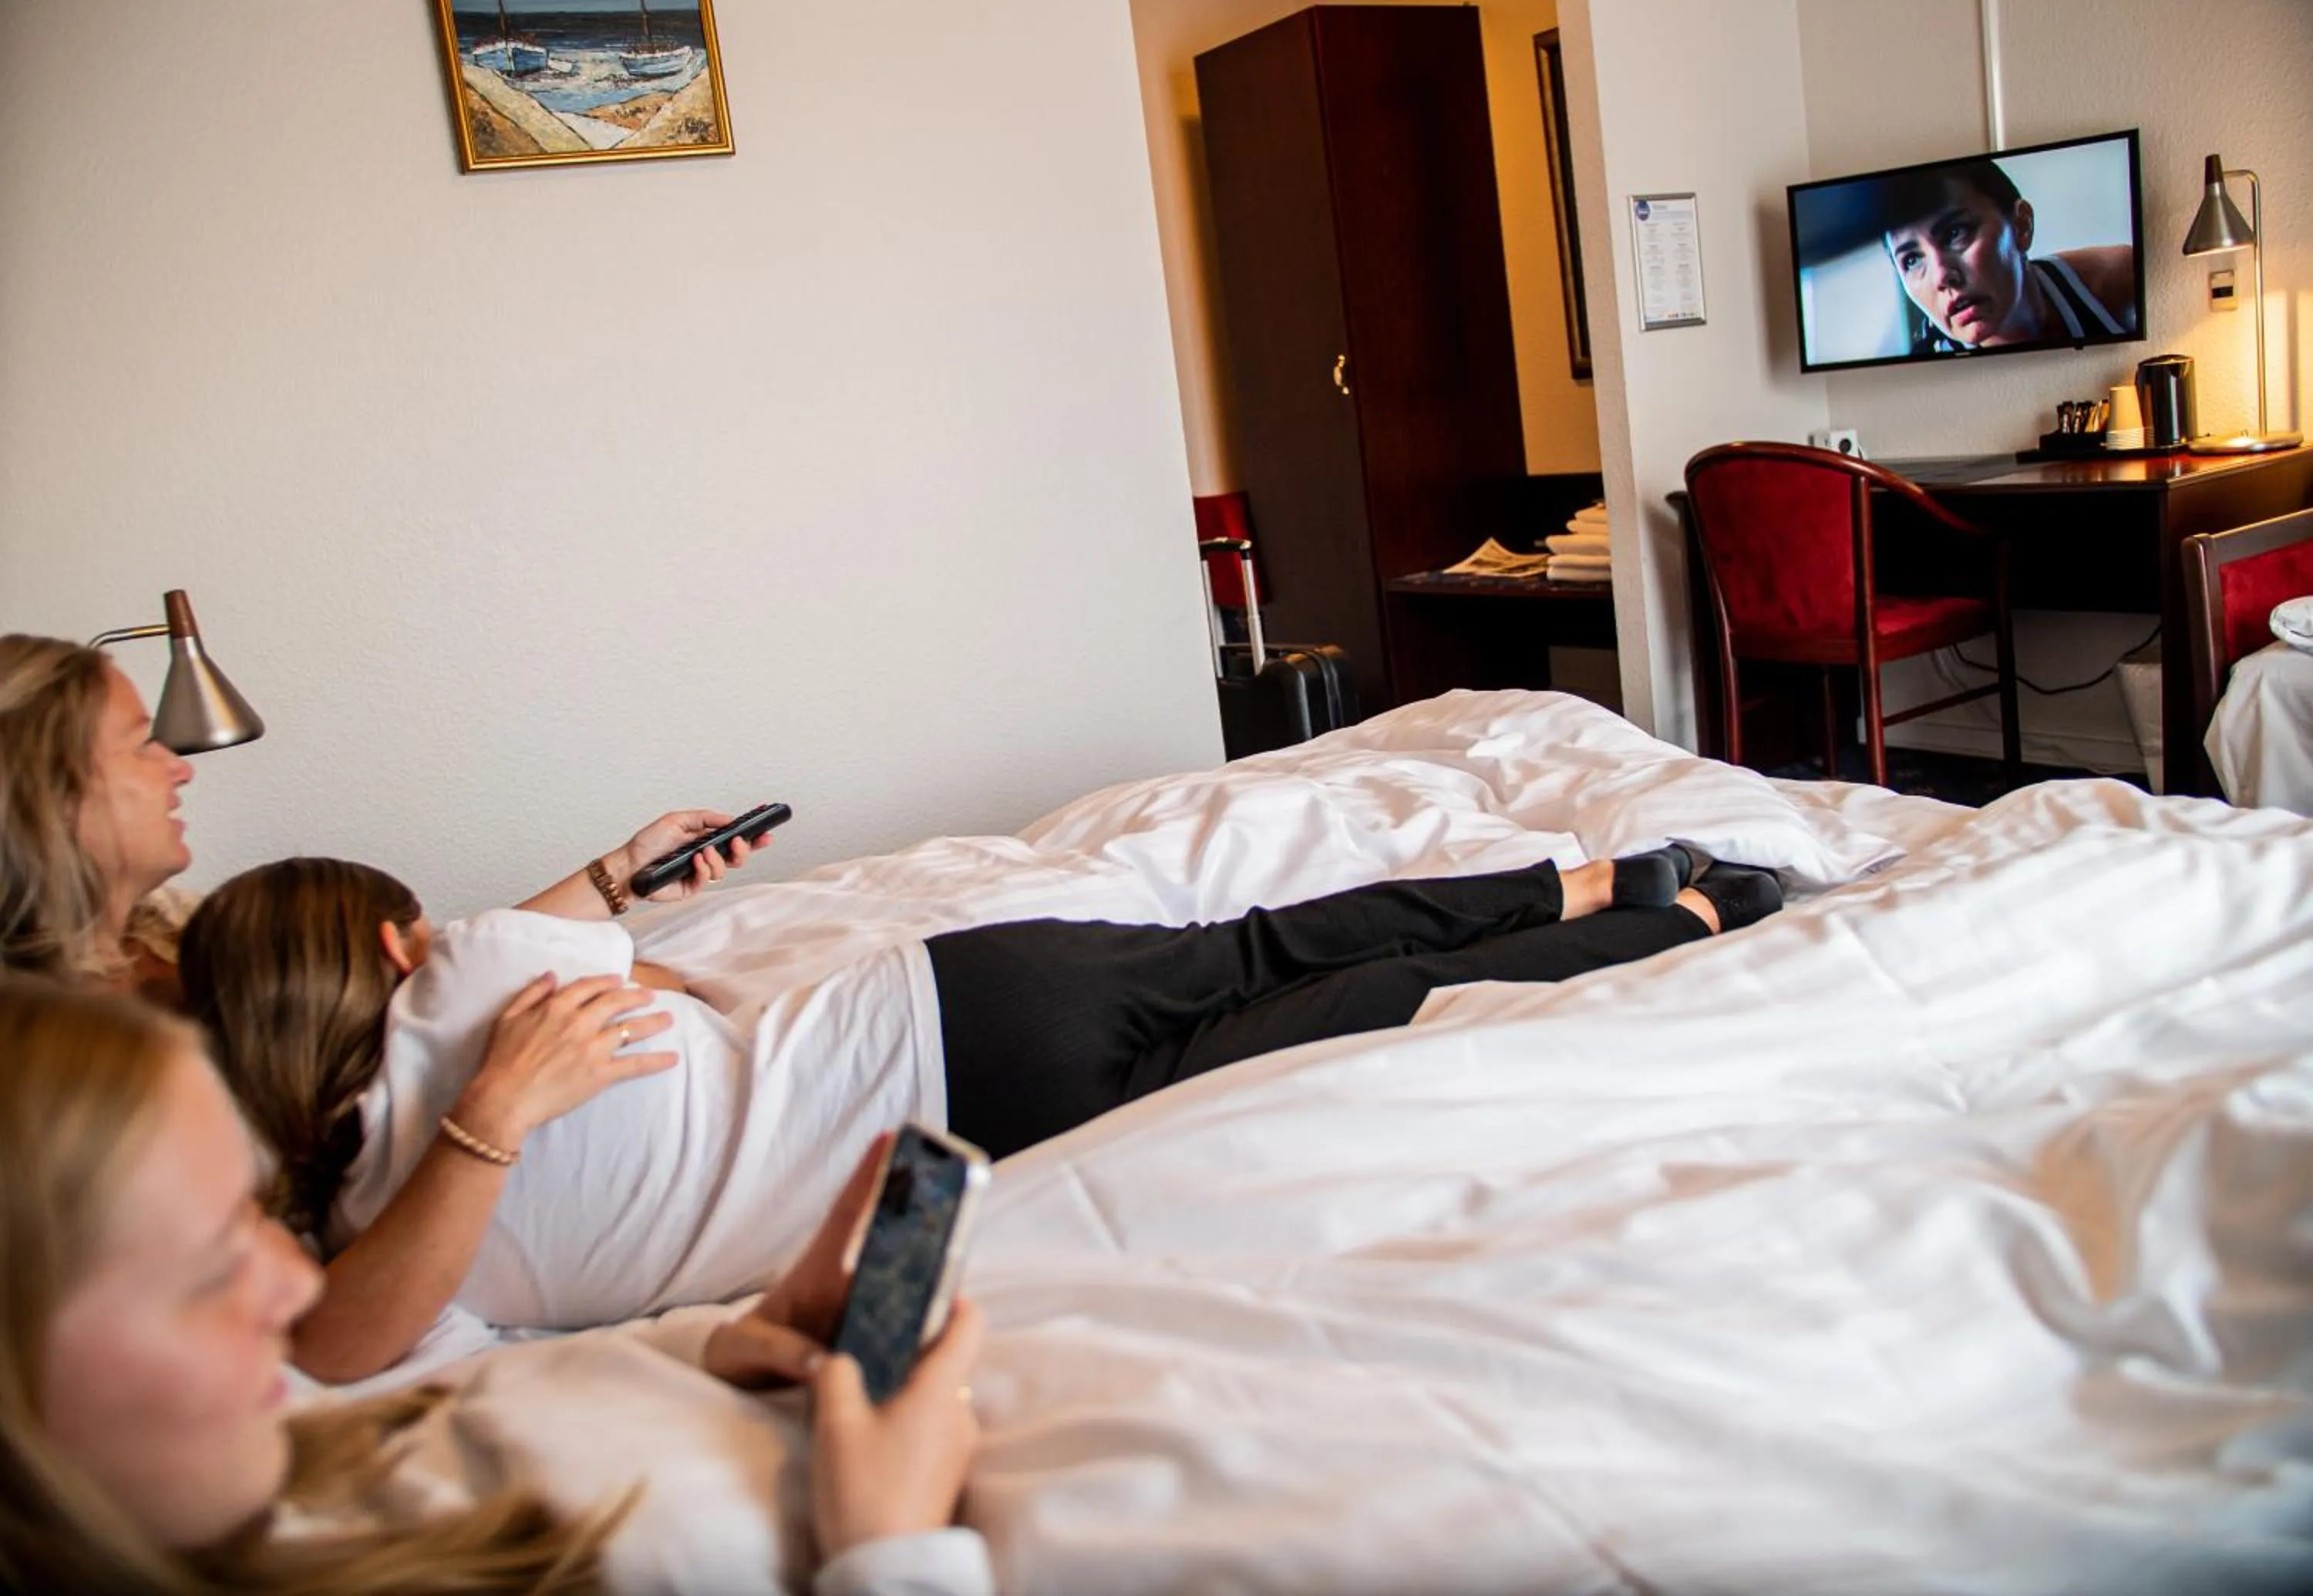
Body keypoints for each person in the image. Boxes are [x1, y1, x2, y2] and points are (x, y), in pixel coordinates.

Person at [180, 841, 1781, 1382]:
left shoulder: (376, 1260)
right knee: (1286, 940)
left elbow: (337, 1351)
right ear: (393, 946)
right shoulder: (486, 977)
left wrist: (486, 1142)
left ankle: (1686, 928)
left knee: (1341, 1025)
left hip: (972, 1127)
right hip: (948, 992)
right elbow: (639, 991)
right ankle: (1592, 873)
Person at [0, 972, 992, 1596]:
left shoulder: (257, 1469)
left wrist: (716, 1352)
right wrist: (893, 1554)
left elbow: (488, 1407)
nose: (295, 1289)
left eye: (259, 1218)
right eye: (212, 1262)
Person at [0, 631, 773, 1003]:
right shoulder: (67, 1047)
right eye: (141, 746)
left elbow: (425, 964)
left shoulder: (170, 923)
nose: (179, 766)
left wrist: (625, 873)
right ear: (51, 796)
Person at [1873, 157, 2137, 355]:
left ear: (2021, 225)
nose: (1942, 276)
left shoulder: (2116, 280)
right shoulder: (1922, 380)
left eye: (1955, 233)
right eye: (1912, 260)